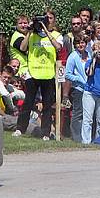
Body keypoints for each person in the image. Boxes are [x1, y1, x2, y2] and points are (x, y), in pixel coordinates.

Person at [15, 11, 62, 140]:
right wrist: (30, 32)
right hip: (33, 72)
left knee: (47, 105)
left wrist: (46, 31)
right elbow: (23, 48)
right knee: (28, 102)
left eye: (49, 19)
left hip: (48, 74)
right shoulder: (32, 35)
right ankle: (20, 128)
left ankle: (46, 132)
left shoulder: (57, 35)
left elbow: (58, 47)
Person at [65, 34, 90, 143]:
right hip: (78, 89)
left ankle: (86, 137)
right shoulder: (73, 56)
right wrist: (79, 79)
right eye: (78, 43)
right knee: (78, 113)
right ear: (75, 44)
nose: (81, 45)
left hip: (89, 89)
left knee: (87, 114)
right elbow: (67, 74)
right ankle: (76, 137)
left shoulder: (89, 54)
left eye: (83, 42)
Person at [9, 15, 31, 81]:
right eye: (20, 23)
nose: (23, 25)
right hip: (21, 71)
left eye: (25, 23)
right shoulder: (16, 36)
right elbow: (24, 49)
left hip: (29, 70)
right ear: (16, 25)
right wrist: (29, 32)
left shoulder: (26, 35)